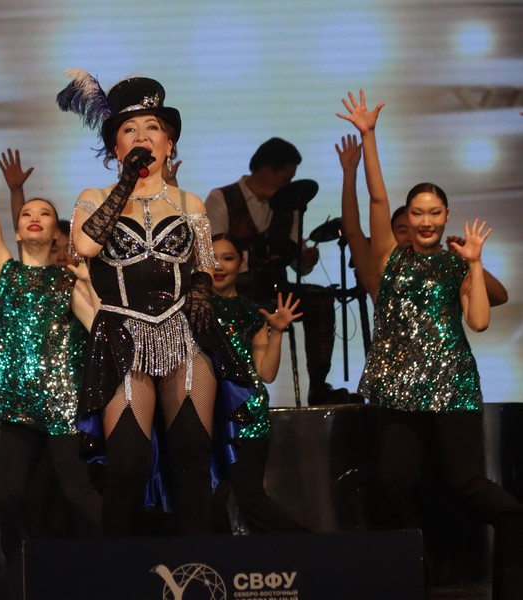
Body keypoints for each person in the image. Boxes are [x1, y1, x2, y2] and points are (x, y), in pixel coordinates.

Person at [58, 71, 247, 536]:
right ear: (116, 148)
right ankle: (117, 568)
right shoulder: (93, 198)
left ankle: (196, 565)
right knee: (127, 464)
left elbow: (206, 264)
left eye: (152, 128)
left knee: (190, 459)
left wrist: (200, 290)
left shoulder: (190, 202)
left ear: (169, 142)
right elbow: (83, 247)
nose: (142, 136)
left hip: (183, 335)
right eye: (129, 129)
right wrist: (126, 184)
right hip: (122, 337)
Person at [338, 89, 523, 557]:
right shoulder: (389, 257)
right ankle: (414, 566)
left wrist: (474, 263)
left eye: (434, 213)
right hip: (401, 388)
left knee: (466, 481)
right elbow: (377, 196)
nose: (425, 221)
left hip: (452, 385)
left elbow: (479, 322)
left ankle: (518, 529)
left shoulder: (456, 264)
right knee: (391, 481)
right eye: (417, 213)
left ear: (446, 216)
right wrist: (369, 136)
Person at [0, 107, 101, 562]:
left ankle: (128, 563)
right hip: (17, 406)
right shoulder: (5, 272)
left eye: (45, 214)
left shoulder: (67, 279)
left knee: (77, 492)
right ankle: (23, 576)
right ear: (17, 229)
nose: (34, 216)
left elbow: (99, 329)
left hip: (64, 404)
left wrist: (90, 287)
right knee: (8, 498)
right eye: (28, 212)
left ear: (55, 231)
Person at [205, 137, 349, 405]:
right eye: (286, 178)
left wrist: (304, 259)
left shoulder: (290, 205)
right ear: (268, 171)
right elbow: (214, 252)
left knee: (320, 300)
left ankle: (318, 386)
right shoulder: (222, 198)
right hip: (239, 290)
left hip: (276, 290)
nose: (289, 184)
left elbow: (295, 261)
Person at [209, 234, 308, 534]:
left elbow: (266, 372)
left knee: (249, 497)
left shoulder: (252, 312)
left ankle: (309, 545)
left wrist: (277, 331)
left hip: (247, 412)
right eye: (212, 258)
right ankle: (220, 558)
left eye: (228, 258)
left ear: (242, 264)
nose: (219, 266)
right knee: (210, 498)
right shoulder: (192, 310)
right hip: (207, 411)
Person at [336, 134, 508, 306]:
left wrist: (468, 262)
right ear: (390, 236)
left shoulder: (449, 269)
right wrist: (349, 173)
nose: (411, 234)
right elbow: (353, 231)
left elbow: (500, 297)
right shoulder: (381, 270)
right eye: (403, 230)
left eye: (433, 214)